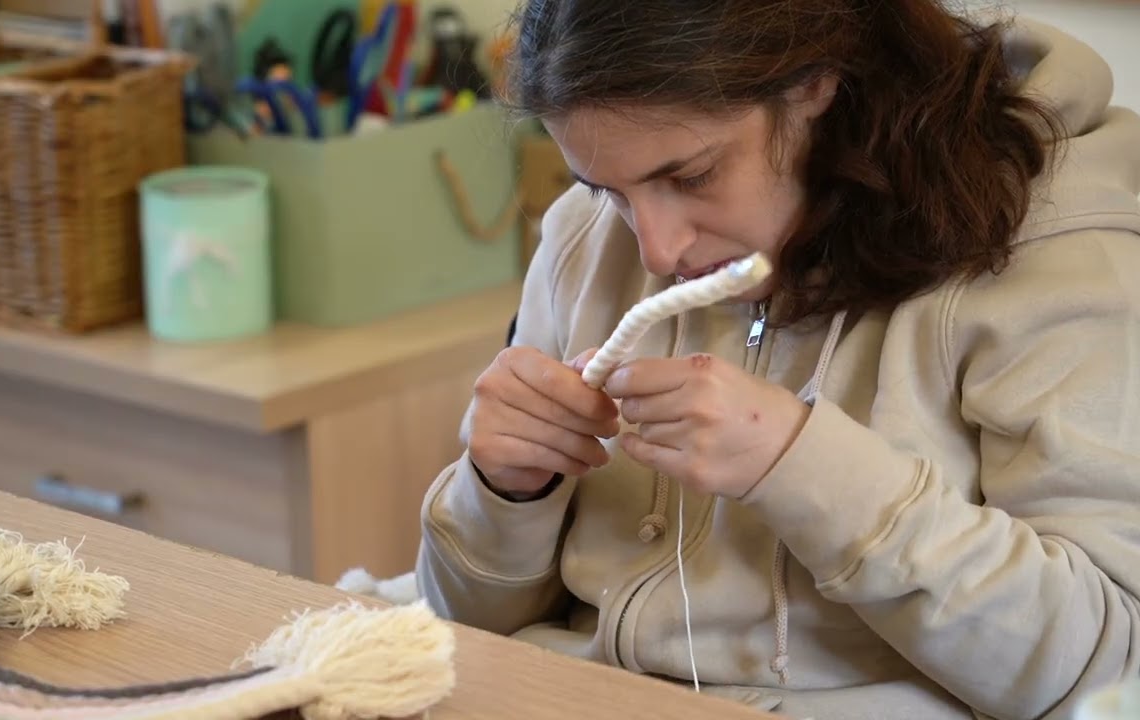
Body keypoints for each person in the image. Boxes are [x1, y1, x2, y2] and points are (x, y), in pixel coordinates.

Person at [414, 1, 1140, 719]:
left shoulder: (1064, 253)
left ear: (816, 83)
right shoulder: (586, 234)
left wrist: (802, 466)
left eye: (692, 176)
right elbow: (461, 630)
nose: (656, 251)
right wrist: (502, 493)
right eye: (607, 190)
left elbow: (1106, 672)